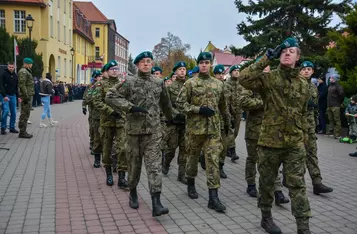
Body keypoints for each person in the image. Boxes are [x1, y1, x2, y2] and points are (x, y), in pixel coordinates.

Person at [239, 38, 312, 234]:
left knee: (297, 185)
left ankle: (303, 227)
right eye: (284, 51)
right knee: (267, 183)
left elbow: (304, 113)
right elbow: (244, 78)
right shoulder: (269, 79)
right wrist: (266, 58)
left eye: (291, 51)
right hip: (270, 142)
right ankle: (266, 217)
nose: (287, 53)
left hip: (294, 143)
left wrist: (304, 138)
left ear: (298, 57)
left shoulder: (304, 85)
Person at [105, 51, 174, 217]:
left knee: (154, 167)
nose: (146, 64)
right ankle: (133, 192)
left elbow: (166, 104)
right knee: (134, 167)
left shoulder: (159, 82)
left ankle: (156, 203)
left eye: (149, 61)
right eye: (143, 61)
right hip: (133, 133)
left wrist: (173, 118)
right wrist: (130, 107)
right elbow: (110, 96)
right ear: (137, 65)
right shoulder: (129, 81)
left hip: (153, 133)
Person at [176, 52, 230, 212]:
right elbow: (180, 103)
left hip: (213, 129)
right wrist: (198, 109)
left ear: (210, 65)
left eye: (207, 62)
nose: (204, 65)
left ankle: (213, 197)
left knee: (212, 160)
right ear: (198, 65)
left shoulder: (219, 84)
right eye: (202, 63)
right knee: (192, 158)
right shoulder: (190, 83)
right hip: (195, 129)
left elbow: (223, 106)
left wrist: (227, 123)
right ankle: (191, 183)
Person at [239, 60, 289, 205]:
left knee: (272, 161)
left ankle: (278, 191)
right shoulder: (252, 84)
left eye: (268, 67)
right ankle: (251, 184)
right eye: (263, 67)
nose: (266, 69)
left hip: (271, 130)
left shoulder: (274, 83)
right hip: (254, 129)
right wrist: (263, 102)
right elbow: (243, 102)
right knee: (252, 158)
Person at [92, 60, 128, 189]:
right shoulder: (100, 84)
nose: (115, 71)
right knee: (106, 149)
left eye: (116, 69)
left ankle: (122, 177)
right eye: (112, 69)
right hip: (107, 121)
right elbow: (96, 102)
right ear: (106, 71)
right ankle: (108, 174)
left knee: (122, 148)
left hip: (121, 121)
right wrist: (110, 111)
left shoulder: (123, 84)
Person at [300, 61, 333, 195]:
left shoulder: (314, 87)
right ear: (299, 71)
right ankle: (295, 182)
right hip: (297, 127)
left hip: (310, 127)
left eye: (309, 69)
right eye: (304, 69)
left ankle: (317, 183)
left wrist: (316, 123)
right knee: (296, 157)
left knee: (312, 155)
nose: (306, 71)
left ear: (312, 72)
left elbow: (315, 108)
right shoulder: (294, 85)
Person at [162, 61, 187, 184]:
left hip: (187, 123)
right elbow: (166, 105)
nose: (182, 71)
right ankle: (166, 163)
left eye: (184, 69)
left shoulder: (190, 85)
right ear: (175, 72)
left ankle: (182, 175)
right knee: (171, 148)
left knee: (185, 149)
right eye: (180, 69)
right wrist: (176, 115)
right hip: (174, 123)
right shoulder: (169, 87)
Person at [212, 64, 230, 178]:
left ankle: (221, 166)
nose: (220, 76)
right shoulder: (211, 86)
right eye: (218, 74)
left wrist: (230, 118)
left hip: (224, 121)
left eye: (222, 73)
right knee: (213, 148)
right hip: (213, 122)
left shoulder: (226, 87)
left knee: (224, 146)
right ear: (214, 75)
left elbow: (229, 104)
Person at [83, 70, 103, 167]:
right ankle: (93, 146)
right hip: (94, 113)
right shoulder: (91, 86)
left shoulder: (104, 85)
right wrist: (84, 107)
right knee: (94, 131)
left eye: (101, 76)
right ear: (95, 77)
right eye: (99, 76)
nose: (101, 78)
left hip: (104, 114)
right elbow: (86, 97)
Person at [0, 62, 19, 134]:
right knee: (6, 111)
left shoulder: (15, 75)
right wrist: (4, 95)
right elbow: (1, 85)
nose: (11, 68)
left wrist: (18, 96)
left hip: (13, 95)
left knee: (14, 112)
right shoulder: (3, 74)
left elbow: (16, 87)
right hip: (5, 96)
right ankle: (3, 128)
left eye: (12, 67)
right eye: (10, 67)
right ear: (7, 67)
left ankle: (12, 127)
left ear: (14, 67)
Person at [18, 58, 35, 139]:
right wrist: (26, 95)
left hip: (27, 95)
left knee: (26, 113)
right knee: (24, 114)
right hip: (26, 96)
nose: (31, 65)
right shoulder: (23, 72)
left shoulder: (26, 71)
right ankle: (22, 132)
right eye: (31, 64)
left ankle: (23, 131)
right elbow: (22, 85)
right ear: (27, 64)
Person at [326, 74, 344, 138]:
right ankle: (331, 132)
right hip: (329, 105)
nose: (330, 79)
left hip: (336, 105)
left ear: (335, 79)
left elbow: (341, 95)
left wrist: (339, 102)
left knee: (337, 119)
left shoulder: (338, 86)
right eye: (330, 78)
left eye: (331, 78)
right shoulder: (330, 86)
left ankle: (337, 133)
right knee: (330, 119)